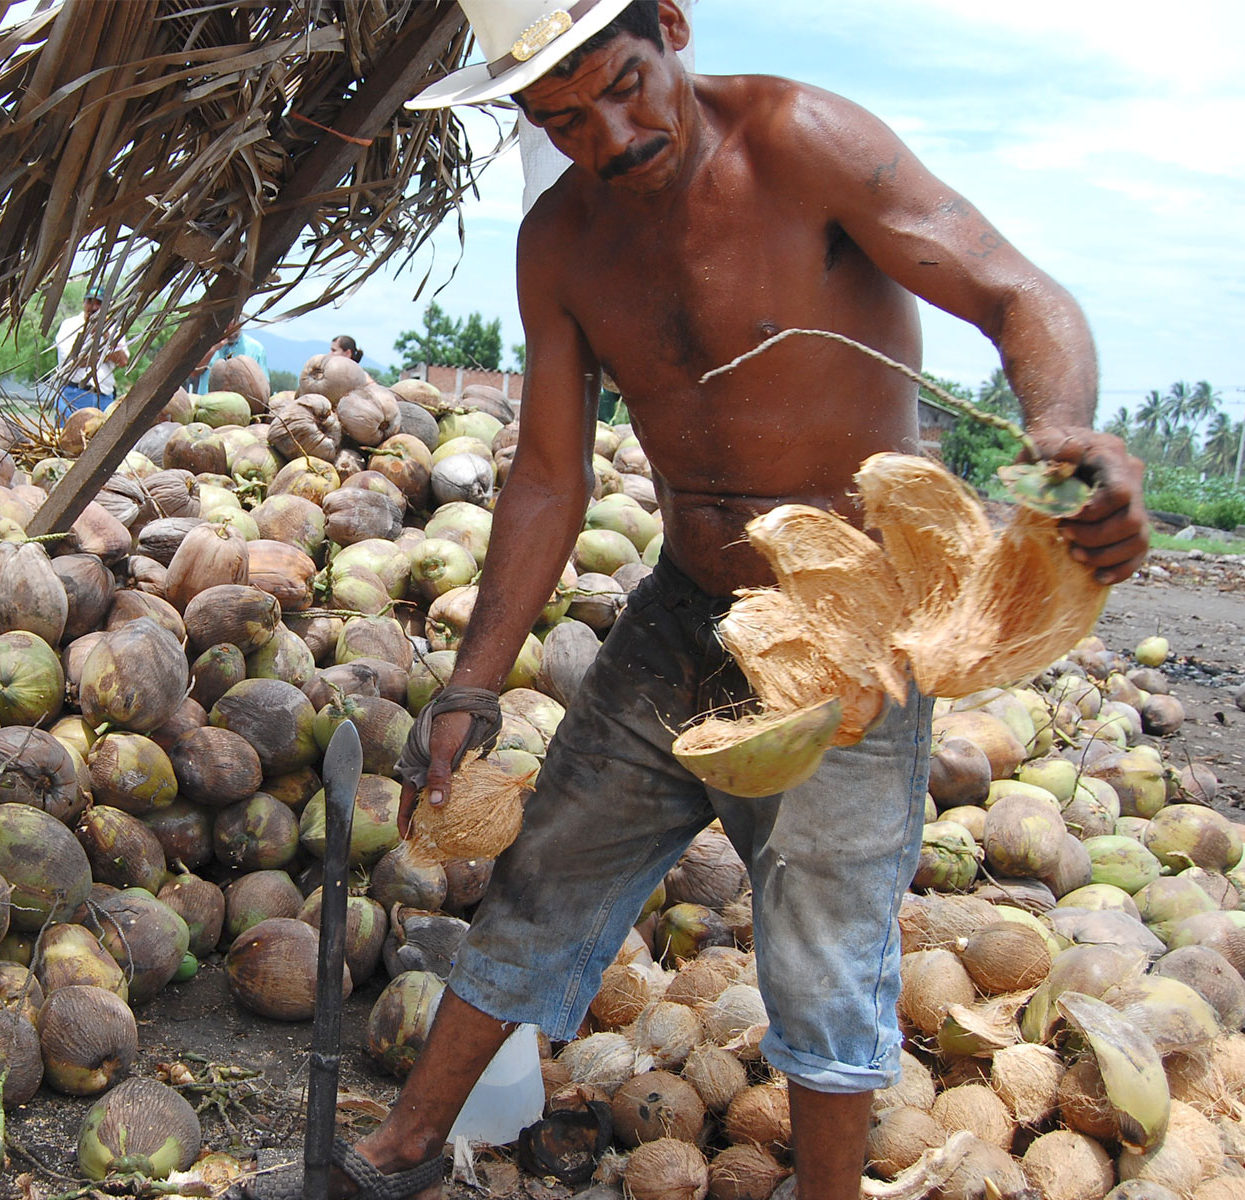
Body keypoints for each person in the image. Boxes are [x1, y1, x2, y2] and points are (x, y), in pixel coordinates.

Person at [235, 4, 1148, 1200]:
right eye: (560, 118)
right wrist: (471, 683)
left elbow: (1017, 296)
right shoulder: (559, 241)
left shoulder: (805, 142)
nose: (606, 135)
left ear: (669, 26)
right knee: (542, 876)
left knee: (826, 952)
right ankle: (403, 1149)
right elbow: (552, 477)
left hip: (849, 644)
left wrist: (1062, 444)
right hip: (682, 618)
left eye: (622, 85)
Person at [54, 285, 130, 410]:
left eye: (99, 303)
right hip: (74, 394)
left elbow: (122, 361)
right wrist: (105, 357)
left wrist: (105, 335)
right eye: (90, 302)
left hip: (104, 397)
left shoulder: (114, 329)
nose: (94, 307)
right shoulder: (70, 326)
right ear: (84, 302)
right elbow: (71, 361)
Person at [190, 317, 267, 392]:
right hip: (208, 402)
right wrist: (213, 349)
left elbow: (263, 386)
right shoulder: (207, 344)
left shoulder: (256, 350)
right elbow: (194, 372)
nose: (230, 332)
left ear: (240, 325)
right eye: (226, 326)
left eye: (234, 326)